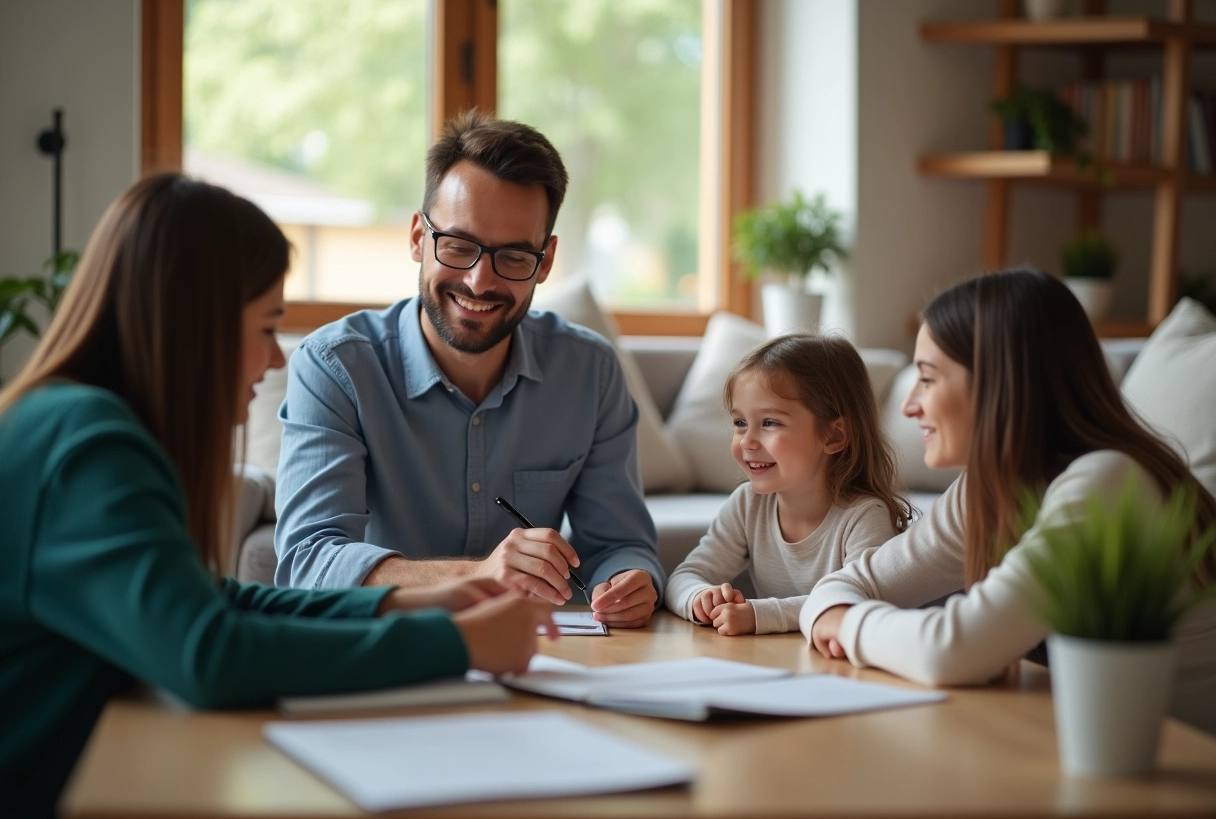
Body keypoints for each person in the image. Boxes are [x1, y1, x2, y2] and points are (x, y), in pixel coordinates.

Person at [0, 173, 556, 816]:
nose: (274, 361)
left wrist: (405, 606)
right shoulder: (86, 447)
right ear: (194, 325)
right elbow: (209, 653)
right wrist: (459, 645)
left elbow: (211, 600)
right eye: (266, 328)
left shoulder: (69, 420)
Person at [273, 110, 663, 627]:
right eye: (457, 247)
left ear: (545, 262)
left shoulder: (590, 371)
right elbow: (309, 562)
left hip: (535, 655)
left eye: (514, 257)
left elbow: (619, 543)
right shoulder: (334, 366)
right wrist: (479, 573)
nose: (480, 282)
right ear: (418, 238)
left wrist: (629, 580)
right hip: (383, 648)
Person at [801, 268, 1216, 734]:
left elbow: (953, 650)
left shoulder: (1108, 484)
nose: (908, 404)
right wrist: (836, 612)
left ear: (998, 382)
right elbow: (844, 585)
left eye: (928, 378)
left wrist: (847, 626)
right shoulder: (987, 488)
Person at [665, 334, 912, 635]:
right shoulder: (748, 504)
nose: (747, 440)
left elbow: (854, 603)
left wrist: (762, 615)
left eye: (769, 422)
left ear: (833, 436)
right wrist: (699, 598)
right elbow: (686, 576)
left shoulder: (865, 516)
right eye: (740, 422)